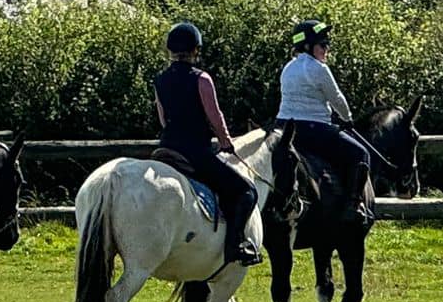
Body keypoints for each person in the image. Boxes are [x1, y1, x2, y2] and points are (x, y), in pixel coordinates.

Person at [154, 22, 261, 268]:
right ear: (196, 50)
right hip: (195, 152)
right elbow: (215, 116)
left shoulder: (159, 79)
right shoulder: (202, 79)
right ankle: (236, 245)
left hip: (166, 149)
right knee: (246, 191)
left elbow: (162, 118)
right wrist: (226, 143)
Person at [275, 19, 375, 226]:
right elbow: (336, 98)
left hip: (283, 127)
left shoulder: (288, 68)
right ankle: (354, 205)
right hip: (313, 129)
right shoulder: (318, 68)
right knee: (361, 153)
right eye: (323, 44)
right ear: (307, 46)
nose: (327, 49)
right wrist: (347, 119)